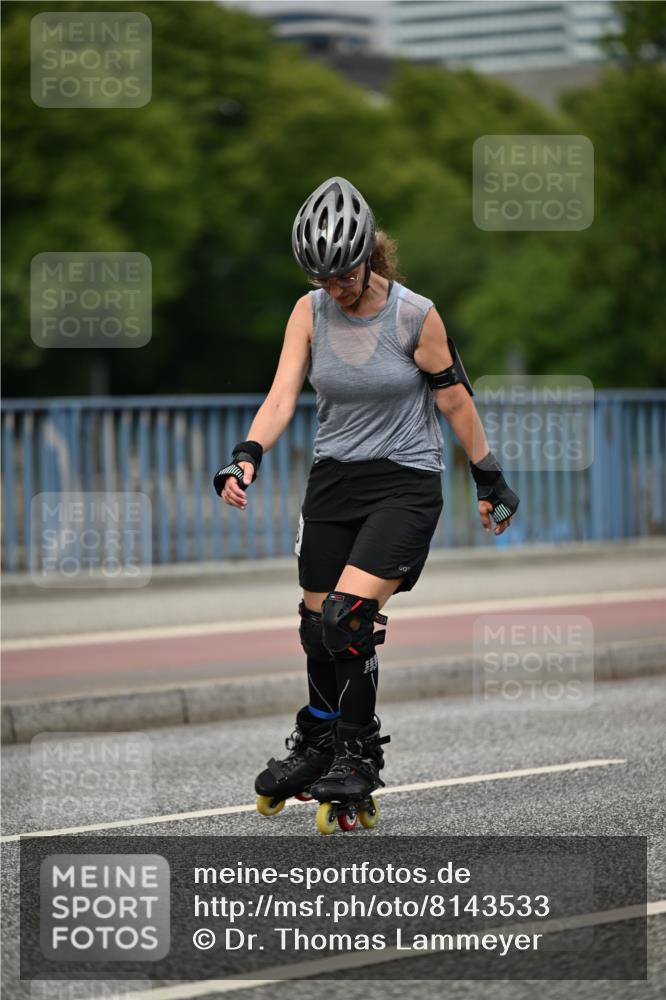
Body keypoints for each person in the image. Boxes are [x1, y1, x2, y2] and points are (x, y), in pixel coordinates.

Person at [214, 176, 519, 831]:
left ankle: (356, 756)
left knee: (347, 619)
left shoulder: (414, 315)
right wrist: (247, 453)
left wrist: (487, 476)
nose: (335, 288)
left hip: (404, 484)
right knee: (314, 625)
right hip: (333, 482)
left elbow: (454, 398)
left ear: (367, 255)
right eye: (320, 277)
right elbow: (279, 398)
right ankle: (318, 740)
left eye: (344, 273)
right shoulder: (309, 312)